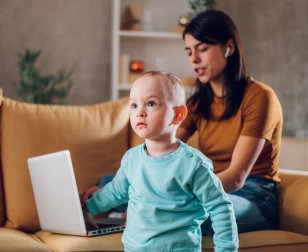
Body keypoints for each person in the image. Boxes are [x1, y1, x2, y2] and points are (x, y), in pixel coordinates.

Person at [81, 71, 238, 251]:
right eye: (133, 105)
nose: (139, 112)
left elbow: (220, 209)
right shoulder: (131, 159)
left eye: (151, 103)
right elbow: (115, 192)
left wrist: (226, 249)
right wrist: (87, 207)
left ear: (178, 115)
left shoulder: (194, 165)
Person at [178, 10, 282, 234]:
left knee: (188, 216)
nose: (194, 59)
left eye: (202, 49)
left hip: (253, 196)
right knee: (112, 184)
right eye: (189, 52)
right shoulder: (197, 104)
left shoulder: (260, 96)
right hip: (210, 190)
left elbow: (236, 177)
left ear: (229, 48)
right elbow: (165, 146)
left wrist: (180, 197)